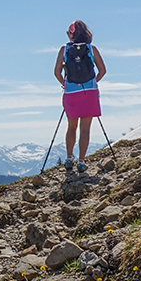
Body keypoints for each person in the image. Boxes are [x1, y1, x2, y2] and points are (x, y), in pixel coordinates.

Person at [54, 19, 106, 173]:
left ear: (71, 34)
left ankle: (69, 158)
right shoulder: (91, 49)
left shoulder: (64, 50)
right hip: (88, 92)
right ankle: (81, 161)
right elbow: (102, 70)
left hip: (71, 93)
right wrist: (92, 82)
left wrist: (65, 84)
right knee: (85, 128)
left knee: (71, 127)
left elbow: (56, 72)